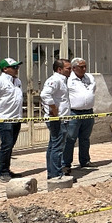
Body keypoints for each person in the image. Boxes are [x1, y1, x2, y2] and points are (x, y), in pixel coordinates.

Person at [40, 58, 73, 188]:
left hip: (62, 118)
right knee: (58, 147)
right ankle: (56, 174)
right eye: (68, 68)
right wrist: (54, 109)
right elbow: (45, 95)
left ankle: (53, 173)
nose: (70, 71)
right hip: (57, 119)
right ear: (59, 69)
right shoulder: (55, 80)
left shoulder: (63, 80)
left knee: (53, 145)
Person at [65, 57, 97, 173]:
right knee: (70, 138)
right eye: (81, 67)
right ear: (74, 68)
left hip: (88, 112)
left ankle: (85, 161)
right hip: (74, 113)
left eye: (85, 66)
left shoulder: (90, 77)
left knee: (85, 138)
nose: (84, 69)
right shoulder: (68, 79)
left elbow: (93, 90)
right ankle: (66, 164)